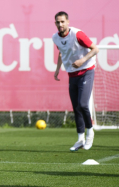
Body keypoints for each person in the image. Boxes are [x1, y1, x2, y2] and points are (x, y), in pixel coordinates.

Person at [52, 11, 99, 151]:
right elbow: (61, 52)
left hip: (87, 70)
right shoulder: (55, 38)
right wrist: (57, 69)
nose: (60, 24)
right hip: (72, 74)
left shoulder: (77, 34)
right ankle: (80, 139)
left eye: (62, 21)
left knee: (83, 104)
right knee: (76, 107)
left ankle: (90, 132)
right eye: (57, 22)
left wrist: (82, 60)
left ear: (68, 22)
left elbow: (95, 49)